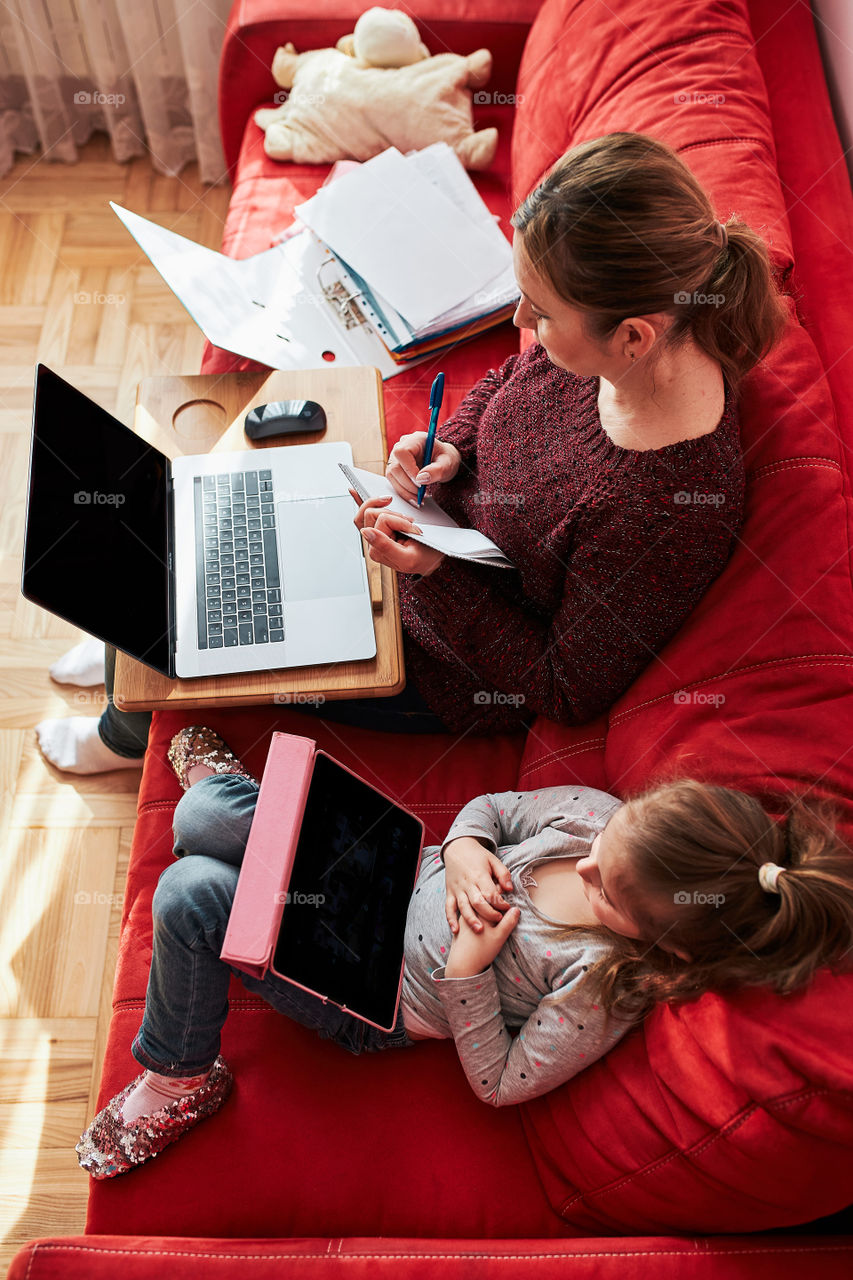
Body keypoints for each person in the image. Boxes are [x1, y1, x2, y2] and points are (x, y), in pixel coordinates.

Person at [41, 130, 788, 771]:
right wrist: (452, 448)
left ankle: (124, 724)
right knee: (205, 509)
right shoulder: (609, 349)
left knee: (213, 607)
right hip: (411, 526)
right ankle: (129, 645)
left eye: (541, 311)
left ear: (632, 335)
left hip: (437, 665)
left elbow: (565, 685)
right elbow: (506, 378)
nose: (521, 319)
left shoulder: (666, 507)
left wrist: (430, 573)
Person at [76, 726, 853, 1179]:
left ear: (663, 946)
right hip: (393, 862)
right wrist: (471, 844)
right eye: (602, 849)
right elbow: (495, 809)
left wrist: (467, 972)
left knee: (191, 891)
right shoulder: (596, 819)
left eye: (606, 895)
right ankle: (249, 818)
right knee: (208, 811)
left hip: (370, 989)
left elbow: (503, 1084)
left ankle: (181, 1075)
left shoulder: (602, 984)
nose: (584, 870)